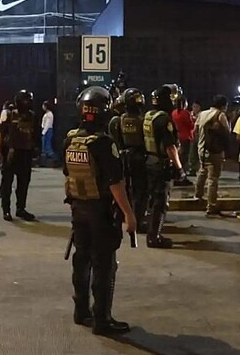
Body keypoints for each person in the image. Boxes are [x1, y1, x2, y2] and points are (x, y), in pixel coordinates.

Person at [63, 85, 137, 336]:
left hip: (78, 209)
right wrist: (129, 213)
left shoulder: (71, 139)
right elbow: (115, 183)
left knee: (81, 259)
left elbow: (69, 174)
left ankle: (80, 311)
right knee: (104, 264)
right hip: (101, 212)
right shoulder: (104, 143)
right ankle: (102, 319)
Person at [143, 84, 185, 248]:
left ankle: (151, 232)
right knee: (161, 203)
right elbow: (170, 147)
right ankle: (154, 237)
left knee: (152, 200)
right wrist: (179, 168)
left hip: (150, 162)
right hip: (161, 164)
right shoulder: (164, 119)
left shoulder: (149, 115)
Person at [108, 88, 149, 233]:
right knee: (140, 191)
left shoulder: (117, 120)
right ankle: (138, 219)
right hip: (139, 157)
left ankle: (120, 216)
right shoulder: (143, 120)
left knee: (123, 189)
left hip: (122, 157)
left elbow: (114, 141)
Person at [0, 90, 39, 221]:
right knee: (7, 183)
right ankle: (6, 210)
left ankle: (21, 209)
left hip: (25, 153)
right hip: (10, 152)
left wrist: (36, 149)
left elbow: (34, 134)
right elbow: (0, 133)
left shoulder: (32, 116)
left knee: (24, 183)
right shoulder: (9, 114)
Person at [193, 95, 230, 216]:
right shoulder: (220, 115)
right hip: (215, 150)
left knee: (202, 171)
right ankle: (211, 206)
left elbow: (195, 130)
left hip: (202, 149)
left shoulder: (202, 114)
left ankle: (197, 196)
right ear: (223, 105)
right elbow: (227, 132)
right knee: (213, 179)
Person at [171, 98, 195, 186]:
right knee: (184, 158)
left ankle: (177, 176)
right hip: (186, 137)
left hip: (177, 137)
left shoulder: (173, 112)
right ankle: (182, 177)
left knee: (178, 157)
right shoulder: (185, 113)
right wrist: (193, 119)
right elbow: (191, 125)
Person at [41, 100, 56, 166]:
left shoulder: (49, 114)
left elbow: (47, 124)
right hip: (45, 130)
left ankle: (55, 159)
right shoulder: (47, 114)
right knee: (45, 146)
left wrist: (43, 132)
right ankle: (44, 161)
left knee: (47, 146)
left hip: (47, 130)